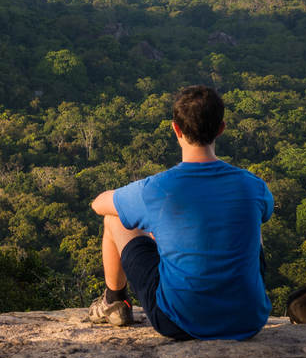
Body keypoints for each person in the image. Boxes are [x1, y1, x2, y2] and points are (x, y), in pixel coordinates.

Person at [88, 85, 273, 340]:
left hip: (177, 321)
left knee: (114, 218)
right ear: (221, 128)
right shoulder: (253, 185)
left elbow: (99, 204)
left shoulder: (157, 188)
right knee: (250, 220)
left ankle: (114, 302)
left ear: (176, 129)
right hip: (248, 319)